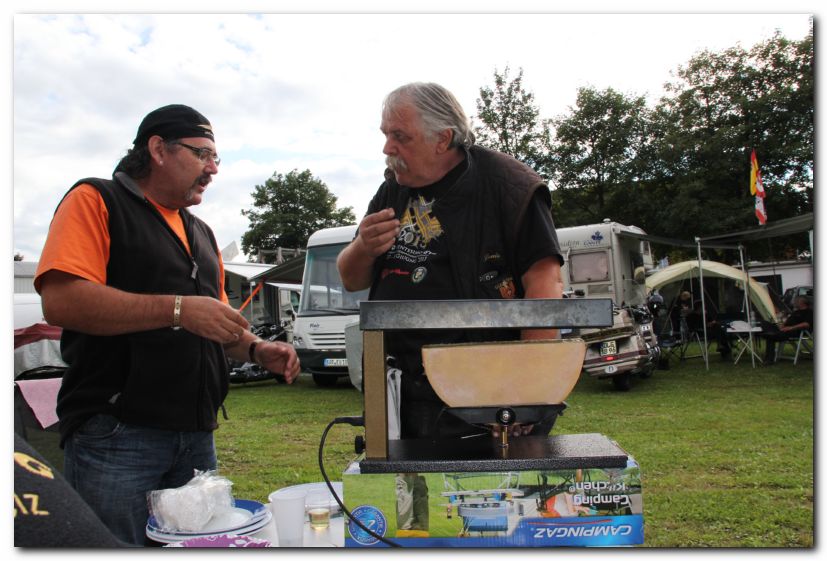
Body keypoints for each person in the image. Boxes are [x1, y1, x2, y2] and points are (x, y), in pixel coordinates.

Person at [34, 104, 301, 545]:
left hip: (196, 435)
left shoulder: (201, 232)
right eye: (202, 154)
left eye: (217, 159)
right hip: (116, 434)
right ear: (158, 148)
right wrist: (177, 309)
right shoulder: (96, 200)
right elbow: (61, 301)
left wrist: (255, 348)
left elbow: (216, 322)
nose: (213, 169)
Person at [337, 82, 564, 440]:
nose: (387, 148)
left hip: (483, 392)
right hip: (399, 392)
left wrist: (525, 389)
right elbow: (350, 279)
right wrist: (364, 246)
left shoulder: (510, 186)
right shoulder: (392, 189)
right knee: (404, 495)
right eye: (385, 134)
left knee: (483, 494)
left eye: (400, 136)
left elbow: (545, 287)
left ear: (443, 139)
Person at [763, 296, 813, 362]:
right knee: (765, 323)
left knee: (770, 336)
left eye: (796, 301)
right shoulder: (795, 312)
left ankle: (769, 359)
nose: (794, 303)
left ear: (801, 303)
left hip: (796, 331)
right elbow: (787, 321)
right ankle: (769, 333)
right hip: (785, 330)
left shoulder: (809, 312)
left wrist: (790, 328)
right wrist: (782, 325)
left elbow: (806, 324)